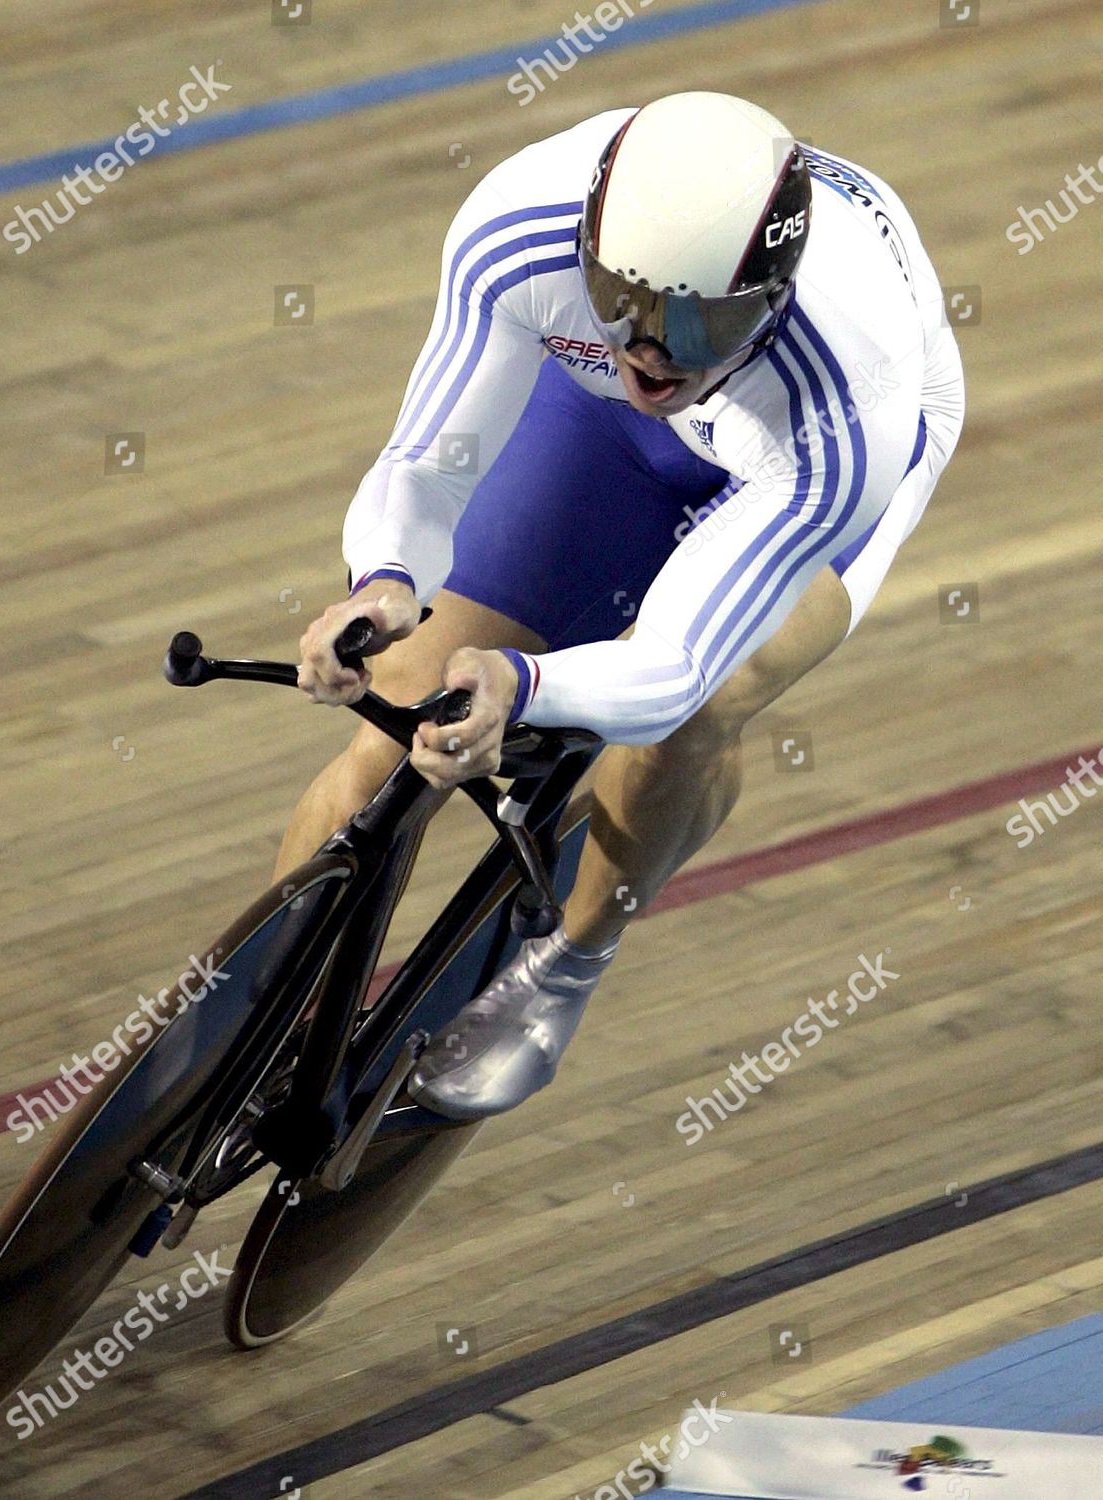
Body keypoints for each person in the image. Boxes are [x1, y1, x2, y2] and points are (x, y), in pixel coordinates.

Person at [277, 91, 964, 1121]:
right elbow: (425, 463)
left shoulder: (850, 402)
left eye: (696, 322)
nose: (652, 349)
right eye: (624, 298)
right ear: (590, 241)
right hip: (608, 432)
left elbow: (677, 664)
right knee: (397, 714)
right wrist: (383, 581)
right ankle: (243, 1022)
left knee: (699, 707)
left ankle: (564, 968)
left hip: (794, 454)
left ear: (770, 298)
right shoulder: (524, 225)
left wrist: (525, 682)